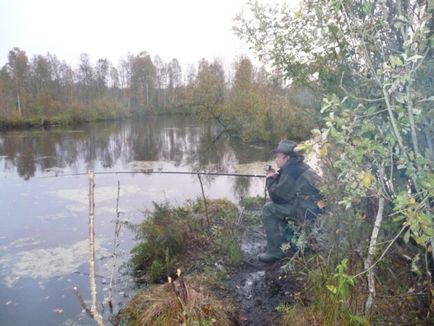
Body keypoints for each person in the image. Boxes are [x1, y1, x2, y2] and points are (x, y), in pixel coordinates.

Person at [258, 139, 323, 263]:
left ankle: (275, 252)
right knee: (282, 208)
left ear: (286, 158)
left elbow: (277, 197)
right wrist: (277, 178)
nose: (276, 159)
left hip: (307, 210)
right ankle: (291, 241)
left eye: (278, 156)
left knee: (269, 208)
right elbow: (291, 188)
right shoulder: (299, 166)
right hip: (314, 208)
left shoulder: (291, 170)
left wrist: (270, 179)